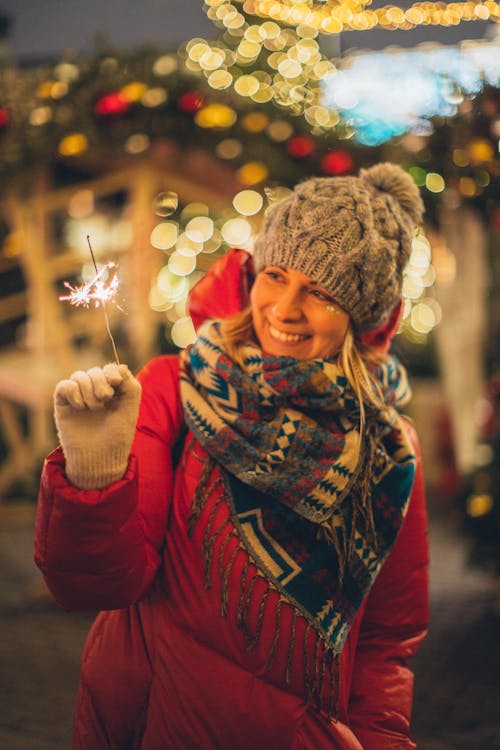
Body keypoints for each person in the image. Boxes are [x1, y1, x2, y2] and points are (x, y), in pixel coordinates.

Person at [35, 162, 429, 750]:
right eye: (275, 275)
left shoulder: (390, 448)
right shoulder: (173, 387)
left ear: (363, 314)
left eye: (321, 292)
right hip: (150, 725)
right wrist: (95, 472)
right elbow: (94, 587)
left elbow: (386, 642)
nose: (285, 308)